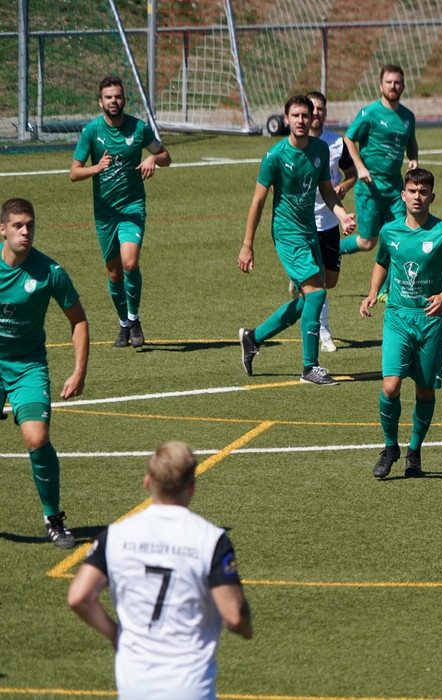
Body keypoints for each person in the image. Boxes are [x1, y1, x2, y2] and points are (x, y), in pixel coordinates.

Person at [67, 441, 253, 700]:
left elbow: (78, 596)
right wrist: (246, 627)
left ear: (147, 482)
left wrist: (114, 634)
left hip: (134, 684)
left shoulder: (116, 535)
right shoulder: (210, 539)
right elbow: (234, 616)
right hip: (189, 686)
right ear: (191, 488)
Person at [237, 94, 356, 385]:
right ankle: (309, 368)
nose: (301, 120)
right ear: (286, 119)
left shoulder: (320, 149)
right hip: (287, 234)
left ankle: (253, 338)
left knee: (307, 301)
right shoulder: (275, 156)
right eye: (296, 116)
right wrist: (247, 245)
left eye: (306, 115)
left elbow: (326, 191)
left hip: (309, 231)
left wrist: (342, 216)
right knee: (316, 294)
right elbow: (258, 201)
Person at [360, 168, 442, 479]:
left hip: (429, 320)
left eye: (423, 192)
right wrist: (372, 292)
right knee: (390, 386)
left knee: (425, 391)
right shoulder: (390, 231)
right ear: (403, 195)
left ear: (432, 196)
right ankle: (389, 447)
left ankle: (414, 451)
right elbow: (381, 262)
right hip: (397, 317)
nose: (417, 197)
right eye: (412, 191)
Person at [0, 198, 89, 549]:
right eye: (18, 226)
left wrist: (79, 371)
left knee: (37, 438)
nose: (25, 232)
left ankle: (53, 519)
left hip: (27, 365)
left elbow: (78, 320)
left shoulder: (50, 272)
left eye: (30, 225)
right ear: (2, 229)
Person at [70, 76, 171, 349]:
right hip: (105, 212)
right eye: (108, 97)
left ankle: (134, 319)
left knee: (130, 263)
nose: (113, 101)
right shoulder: (91, 131)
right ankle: (124, 324)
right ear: (100, 102)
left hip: (132, 207)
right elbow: (74, 173)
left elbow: (166, 157)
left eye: (117, 96)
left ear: (124, 99)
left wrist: (153, 157)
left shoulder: (138, 128)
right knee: (114, 273)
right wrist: (96, 168)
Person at [343, 64, 419, 300]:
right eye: (389, 82)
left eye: (397, 82)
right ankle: (330, 251)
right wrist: (360, 167)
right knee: (368, 242)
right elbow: (349, 139)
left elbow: (411, 142)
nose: (393, 86)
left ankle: (387, 290)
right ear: (380, 86)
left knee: (400, 236)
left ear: (403, 86)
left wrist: (413, 158)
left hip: (395, 190)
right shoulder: (369, 113)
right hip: (370, 190)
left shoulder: (408, 117)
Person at [291, 91, 358, 353]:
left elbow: (351, 173)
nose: (316, 113)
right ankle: (324, 332)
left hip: (330, 221)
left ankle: (300, 285)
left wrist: (343, 187)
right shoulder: (297, 145)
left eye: (320, 109)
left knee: (331, 281)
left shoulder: (336, 143)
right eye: (312, 109)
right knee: (318, 282)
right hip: (305, 224)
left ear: (325, 113)